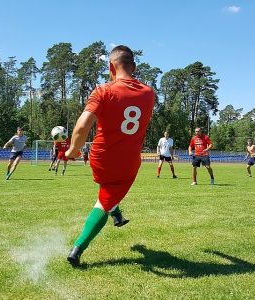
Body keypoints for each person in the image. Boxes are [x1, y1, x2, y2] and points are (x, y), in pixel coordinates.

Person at [65, 45, 155, 267]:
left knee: (107, 188)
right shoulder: (148, 93)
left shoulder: (103, 91)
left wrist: (73, 150)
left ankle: (118, 215)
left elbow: (83, 125)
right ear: (133, 67)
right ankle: (77, 248)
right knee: (103, 203)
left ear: (110, 67)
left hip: (99, 157)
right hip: (126, 163)